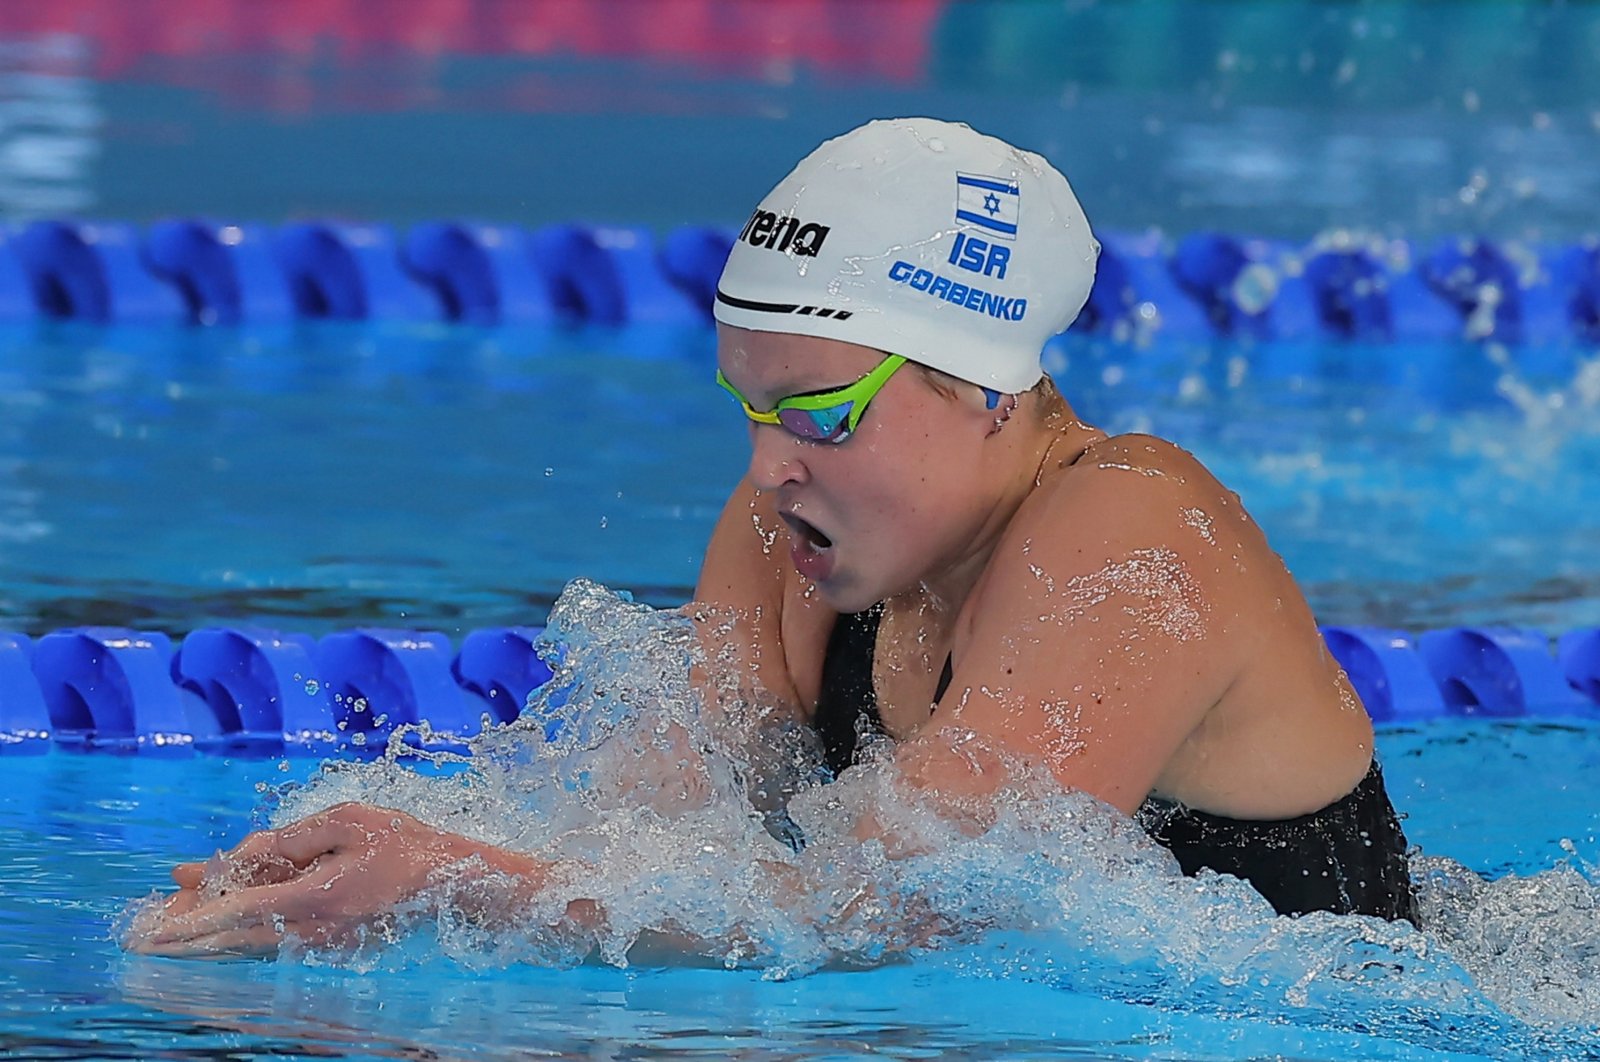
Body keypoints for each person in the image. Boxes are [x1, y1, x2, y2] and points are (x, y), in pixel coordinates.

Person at [125, 117, 1416, 959]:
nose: (763, 464)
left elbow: (896, 908)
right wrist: (375, 857)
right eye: (749, 407)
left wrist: (465, 884)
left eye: (817, 413)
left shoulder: (1134, 539)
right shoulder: (794, 530)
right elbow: (648, 828)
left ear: (985, 386)